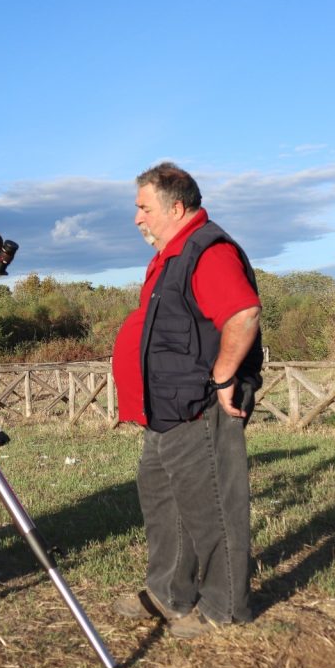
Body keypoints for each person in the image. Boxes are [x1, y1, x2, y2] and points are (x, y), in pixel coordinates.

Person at [111, 162, 264, 638]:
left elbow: (242, 313)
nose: (137, 218)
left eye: (143, 208)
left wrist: (222, 378)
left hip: (198, 405)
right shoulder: (172, 254)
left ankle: (225, 607)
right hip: (165, 409)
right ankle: (169, 593)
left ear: (176, 208)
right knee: (161, 499)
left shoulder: (207, 250)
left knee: (213, 508)